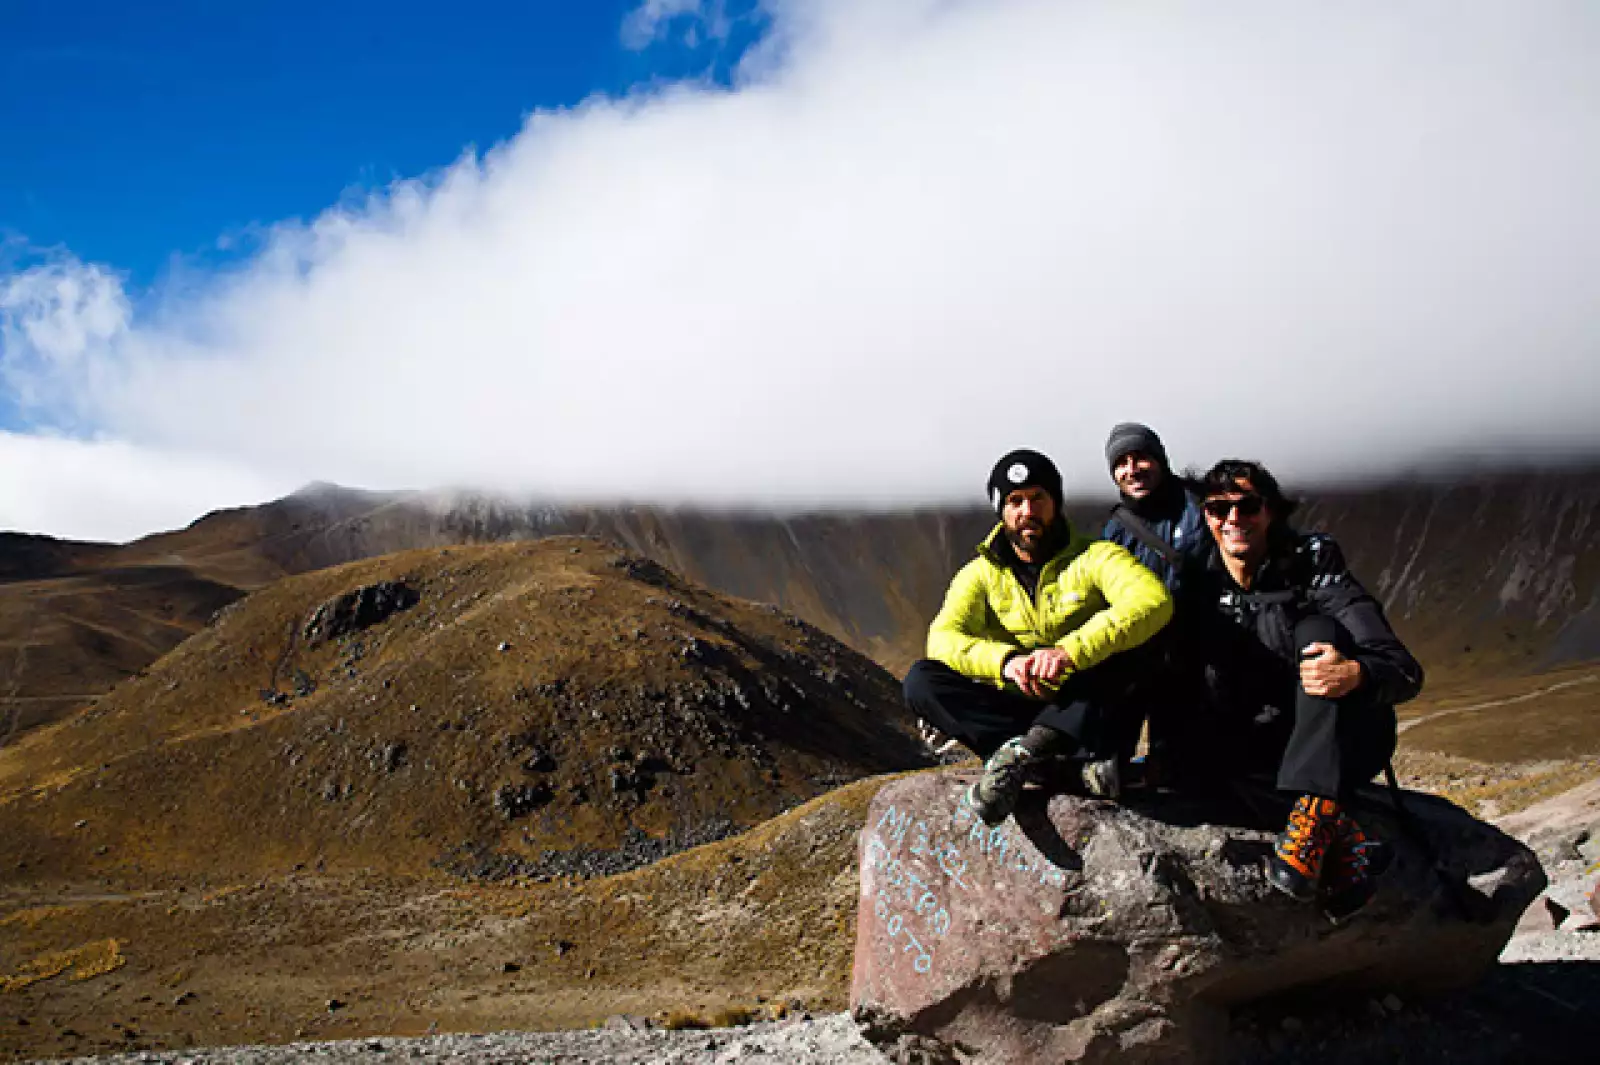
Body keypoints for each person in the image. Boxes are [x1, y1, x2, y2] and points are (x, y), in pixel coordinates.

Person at [1190, 459, 1424, 917]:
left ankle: (1315, 814)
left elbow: (1403, 669)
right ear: (1205, 516)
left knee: (1318, 629)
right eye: (1219, 508)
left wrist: (1356, 673)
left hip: (1344, 738)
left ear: (1271, 511)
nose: (1233, 519)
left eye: (1248, 506)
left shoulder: (1314, 569)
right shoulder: (1197, 581)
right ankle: (1349, 843)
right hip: (1262, 745)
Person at [902, 449, 1173, 826]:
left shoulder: (1096, 557)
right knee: (922, 680)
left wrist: (1069, 652)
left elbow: (1152, 601)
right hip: (1023, 708)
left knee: (1138, 645)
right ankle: (1050, 769)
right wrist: (1007, 663)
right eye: (1015, 501)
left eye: (1037, 498)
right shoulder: (980, 574)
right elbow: (944, 638)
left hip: (1087, 715)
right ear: (1001, 510)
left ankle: (1026, 757)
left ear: (1055, 502)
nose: (1027, 511)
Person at [1100, 423, 1213, 779]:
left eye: (1141, 458)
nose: (1132, 470)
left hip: (1199, 646)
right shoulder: (1117, 528)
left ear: (1160, 460)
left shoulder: (1201, 508)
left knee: (1180, 767)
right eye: (1122, 463)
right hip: (1141, 649)